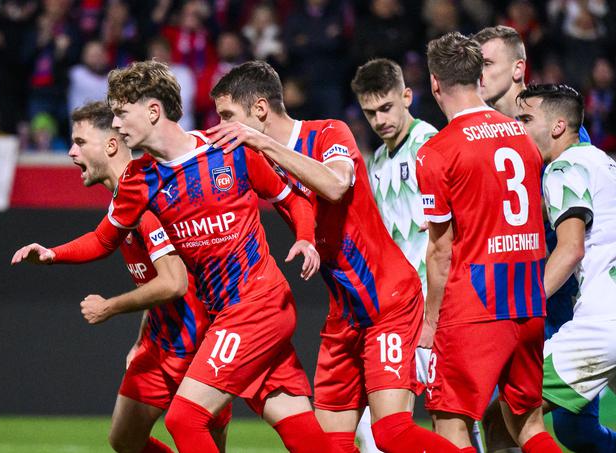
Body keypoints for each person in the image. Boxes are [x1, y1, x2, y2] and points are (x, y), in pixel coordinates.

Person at [21, 60, 337, 453]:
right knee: (300, 431)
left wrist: (306, 238)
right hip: (226, 314)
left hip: (258, 303)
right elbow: (103, 240)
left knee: (184, 418)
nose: (116, 126)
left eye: (121, 113)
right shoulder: (139, 180)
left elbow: (293, 199)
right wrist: (52, 254)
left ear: (153, 111)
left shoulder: (228, 149)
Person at [208, 60, 460, 453]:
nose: (225, 126)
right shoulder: (262, 161)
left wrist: (261, 144)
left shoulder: (328, 132)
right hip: (345, 316)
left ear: (259, 109)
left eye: (228, 116)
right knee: (327, 445)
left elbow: (337, 184)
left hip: (389, 302)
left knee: (392, 433)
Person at [11, 101, 230, 453]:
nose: (70, 152)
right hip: (161, 341)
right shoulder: (122, 200)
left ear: (111, 145)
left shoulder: (147, 194)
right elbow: (103, 243)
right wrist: (53, 254)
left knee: (202, 440)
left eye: (80, 142)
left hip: (198, 342)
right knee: (124, 439)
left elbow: (175, 283)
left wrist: (110, 307)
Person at [416, 32, 561, 453]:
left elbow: (442, 250)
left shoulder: (436, 151)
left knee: (452, 423)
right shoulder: (524, 136)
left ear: (434, 84)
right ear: (480, 76)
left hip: (475, 302)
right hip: (528, 302)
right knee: (529, 425)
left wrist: (430, 322)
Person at [473, 25, 605, 452]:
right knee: (513, 417)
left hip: (568, 300)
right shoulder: (485, 130)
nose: (478, 75)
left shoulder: (563, 145)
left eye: (487, 64)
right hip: (539, 292)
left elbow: (573, 238)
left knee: (557, 425)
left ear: (517, 69)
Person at [350, 58, 485, 453]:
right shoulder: (377, 162)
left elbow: (459, 220)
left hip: (439, 305)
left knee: (449, 416)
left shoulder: (430, 144)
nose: (379, 120)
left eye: (387, 107)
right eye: (370, 112)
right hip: (402, 307)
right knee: (382, 427)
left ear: (407, 96)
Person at [516, 84, 616, 452]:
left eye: (526, 119)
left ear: (558, 126)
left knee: (510, 410)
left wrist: (527, 302)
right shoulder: (604, 162)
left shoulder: (563, 168)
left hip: (602, 322)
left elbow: (571, 248)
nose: (518, 128)